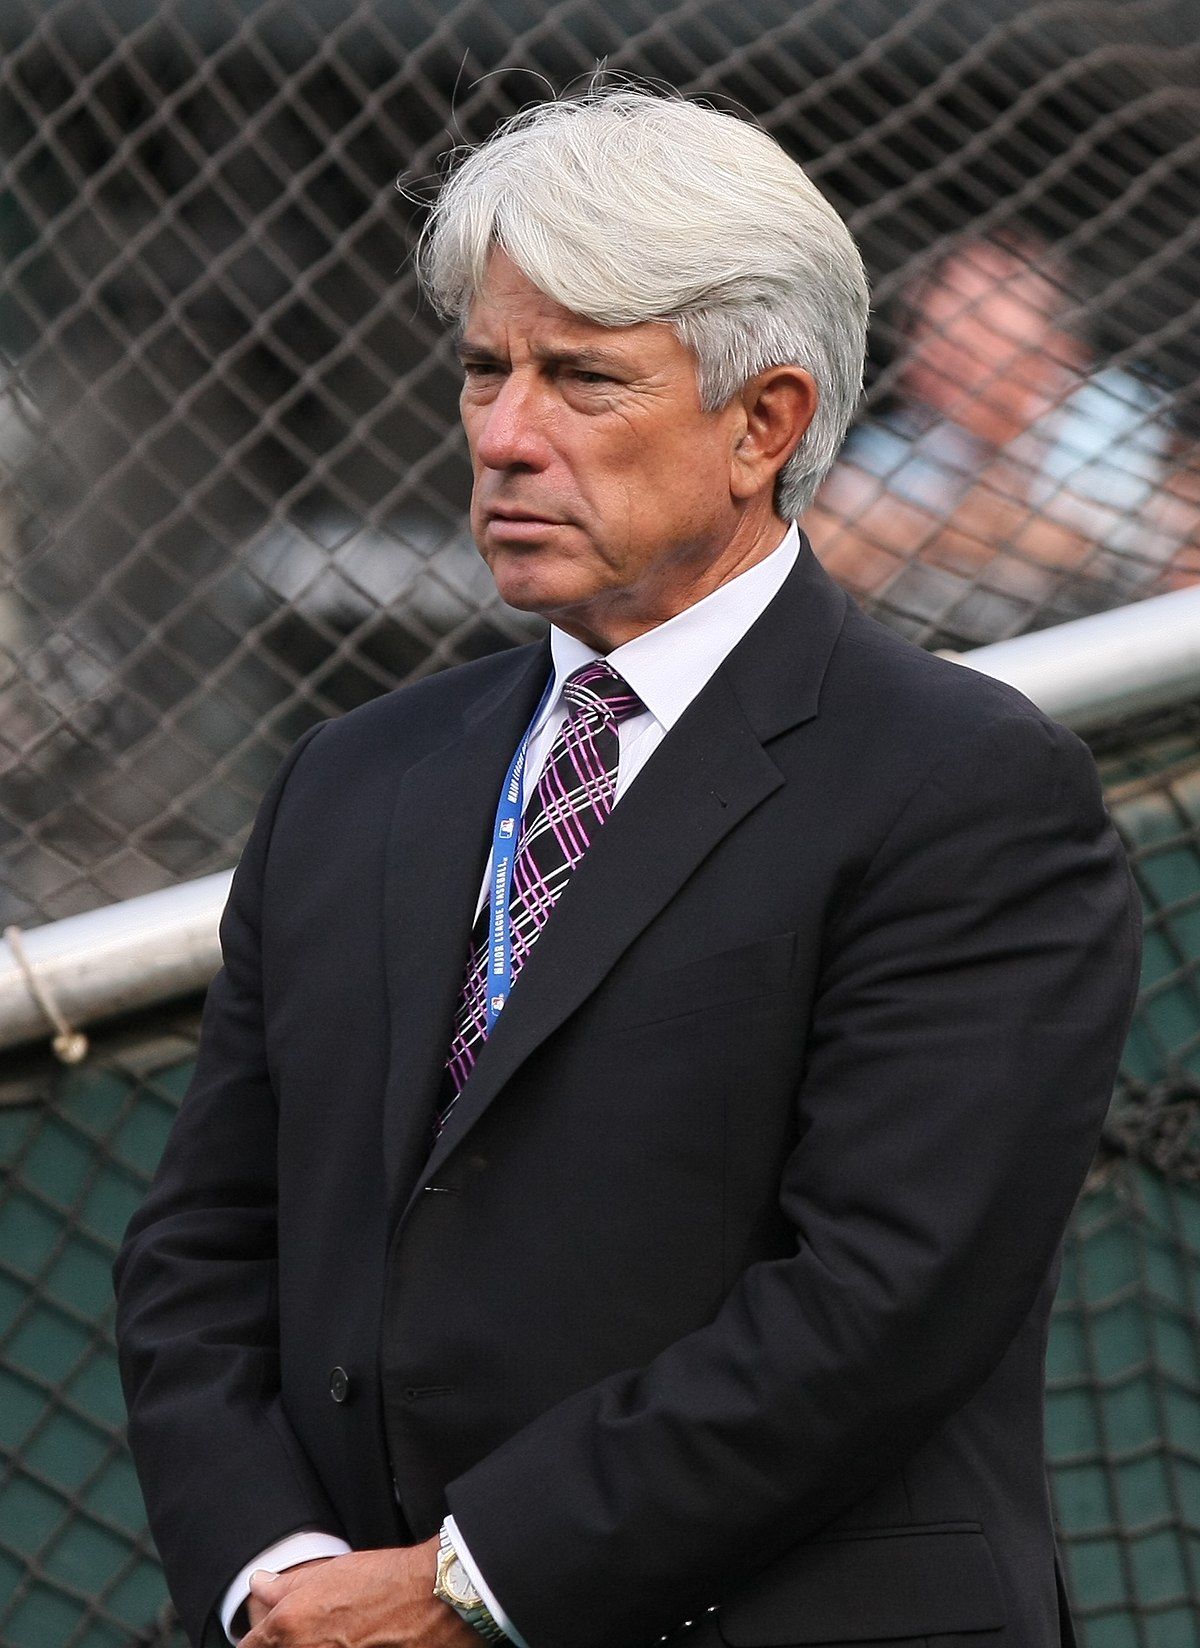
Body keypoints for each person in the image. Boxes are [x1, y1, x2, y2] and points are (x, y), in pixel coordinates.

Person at [114, 90, 1141, 1648]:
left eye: (582, 378)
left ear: (764, 424)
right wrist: (278, 1579)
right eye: (484, 371)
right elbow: (201, 1252)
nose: (506, 435)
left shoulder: (965, 786)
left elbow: (881, 1302)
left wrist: (466, 1587)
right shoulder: (352, 778)